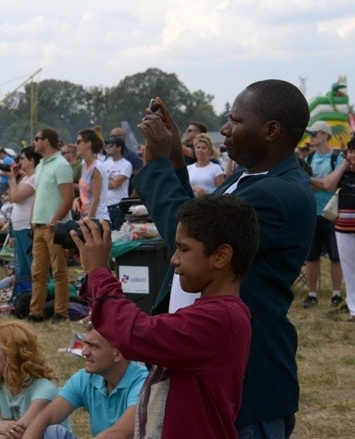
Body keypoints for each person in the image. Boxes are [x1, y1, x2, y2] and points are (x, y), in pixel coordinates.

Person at [133, 81, 316, 438]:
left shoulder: (275, 195)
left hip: (247, 387)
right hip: (215, 363)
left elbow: (192, 239)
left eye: (234, 120)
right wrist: (173, 157)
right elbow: (197, 221)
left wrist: (154, 165)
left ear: (271, 131)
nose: (226, 130)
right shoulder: (247, 178)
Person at [73, 194, 258, 438]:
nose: (174, 259)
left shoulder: (220, 318)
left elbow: (134, 333)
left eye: (184, 248)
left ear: (221, 256)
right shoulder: (213, 312)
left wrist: (98, 271)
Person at [24, 326, 149, 439]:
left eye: (94, 346)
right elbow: (44, 418)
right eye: (85, 344)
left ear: (118, 354)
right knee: (52, 433)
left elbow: (121, 433)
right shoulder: (85, 378)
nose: (84, 352)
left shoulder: (144, 383)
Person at [29, 128, 73, 323]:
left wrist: (54, 221)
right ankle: (35, 312)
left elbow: (68, 198)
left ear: (46, 141)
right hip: (39, 226)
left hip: (54, 227)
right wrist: (33, 218)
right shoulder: (40, 166)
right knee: (37, 273)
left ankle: (61, 312)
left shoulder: (61, 165)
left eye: (37, 139)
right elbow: (39, 196)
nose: (34, 142)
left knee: (59, 272)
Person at [302, 121, 345, 309]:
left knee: (336, 257)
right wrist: (324, 182)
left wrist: (317, 183)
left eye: (314, 133)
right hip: (313, 213)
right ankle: (312, 294)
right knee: (312, 256)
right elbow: (308, 184)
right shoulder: (309, 158)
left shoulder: (338, 158)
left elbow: (332, 185)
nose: (311, 136)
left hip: (333, 214)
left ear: (325, 135)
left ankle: (336, 293)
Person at [323, 138, 355, 321]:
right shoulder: (344, 173)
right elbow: (328, 185)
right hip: (343, 229)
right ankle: (353, 309)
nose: (353, 155)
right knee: (350, 270)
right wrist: (343, 165)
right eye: (350, 151)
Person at [7, 146, 42, 292]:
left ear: (32, 160)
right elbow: (11, 197)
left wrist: (11, 178)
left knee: (33, 265)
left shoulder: (34, 179)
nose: (19, 161)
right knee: (22, 268)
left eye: (22, 158)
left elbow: (15, 197)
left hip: (28, 228)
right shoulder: (26, 178)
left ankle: (39, 296)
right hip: (19, 228)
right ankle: (24, 296)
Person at [73, 127, 110, 221]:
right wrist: (77, 199)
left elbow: (96, 199)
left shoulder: (97, 167)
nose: (75, 145)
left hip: (97, 219)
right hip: (87, 218)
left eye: (78, 142)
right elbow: (87, 194)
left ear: (88, 144)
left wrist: (88, 221)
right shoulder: (84, 165)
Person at [103, 136, 132, 230]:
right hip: (104, 206)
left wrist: (101, 184)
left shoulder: (126, 164)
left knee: (117, 235)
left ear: (119, 148)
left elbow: (116, 184)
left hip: (118, 206)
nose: (108, 148)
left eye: (111, 145)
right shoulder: (105, 163)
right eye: (107, 145)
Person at [187, 133, 225, 197]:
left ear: (209, 151)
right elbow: (184, 187)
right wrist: (194, 189)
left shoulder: (216, 168)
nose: (200, 150)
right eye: (198, 147)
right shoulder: (188, 168)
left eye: (203, 148)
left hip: (210, 202)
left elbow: (222, 190)